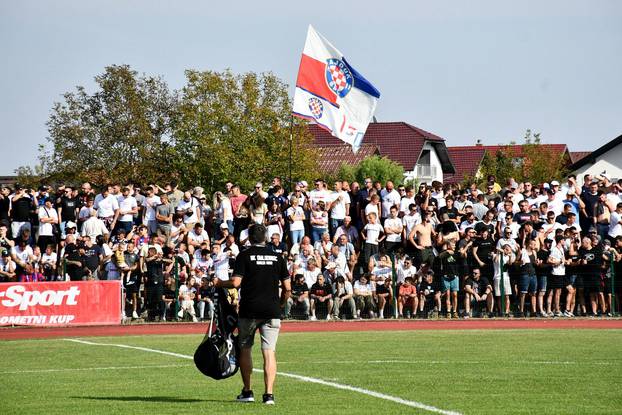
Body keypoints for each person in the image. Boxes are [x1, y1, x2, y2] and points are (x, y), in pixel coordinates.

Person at [213, 224, 291, 405]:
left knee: (245, 349)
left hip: (249, 310)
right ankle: (269, 395)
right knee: (269, 352)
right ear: (266, 237)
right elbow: (287, 288)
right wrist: (279, 304)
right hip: (272, 311)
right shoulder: (278, 257)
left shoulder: (244, 255)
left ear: (249, 237)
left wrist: (219, 283)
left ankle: (248, 392)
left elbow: (236, 282)